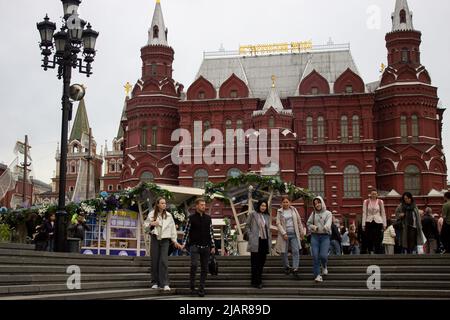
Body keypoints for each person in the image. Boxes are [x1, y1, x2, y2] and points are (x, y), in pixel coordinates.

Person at [144, 197, 182, 292]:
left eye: (165, 203)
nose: (164, 205)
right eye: (162, 203)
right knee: (155, 261)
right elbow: (145, 228)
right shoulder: (151, 214)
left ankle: (165, 283)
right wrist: (152, 224)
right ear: (157, 204)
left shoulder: (169, 215)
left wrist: (175, 240)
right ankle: (155, 282)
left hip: (165, 240)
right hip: (155, 239)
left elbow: (173, 229)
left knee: (163, 261)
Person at [182, 198, 215, 297]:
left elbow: (211, 233)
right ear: (196, 206)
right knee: (194, 265)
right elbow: (186, 232)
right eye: (201, 205)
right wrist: (183, 243)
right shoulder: (191, 218)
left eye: (204, 205)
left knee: (205, 268)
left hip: (206, 247)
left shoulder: (208, 218)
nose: (204, 206)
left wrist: (213, 245)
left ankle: (201, 289)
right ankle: (192, 286)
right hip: (194, 246)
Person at [275, 197, 305, 278]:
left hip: (294, 234)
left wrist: (302, 232)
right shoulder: (279, 211)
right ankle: (287, 267)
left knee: (295, 251)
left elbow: (299, 221)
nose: (285, 203)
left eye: (287, 202)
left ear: (290, 203)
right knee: (283, 252)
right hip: (284, 235)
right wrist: (284, 233)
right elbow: (278, 223)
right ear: (282, 203)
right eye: (284, 202)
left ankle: (295, 269)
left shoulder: (294, 210)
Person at [246, 199, 272, 288]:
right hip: (255, 241)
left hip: (264, 241)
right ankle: (257, 281)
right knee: (255, 262)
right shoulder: (253, 214)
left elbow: (268, 229)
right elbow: (247, 226)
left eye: (265, 206)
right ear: (259, 206)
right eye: (262, 205)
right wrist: (251, 236)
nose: (263, 207)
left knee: (262, 262)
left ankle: (256, 280)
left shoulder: (267, 216)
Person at [307, 196, 332, 283]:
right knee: (315, 256)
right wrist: (314, 227)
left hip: (325, 236)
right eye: (315, 203)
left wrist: (326, 227)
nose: (317, 204)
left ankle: (324, 266)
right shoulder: (313, 214)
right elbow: (308, 224)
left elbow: (329, 222)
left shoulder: (328, 213)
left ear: (322, 202)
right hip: (315, 237)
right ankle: (317, 275)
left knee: (323, 256)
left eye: (318, 202)